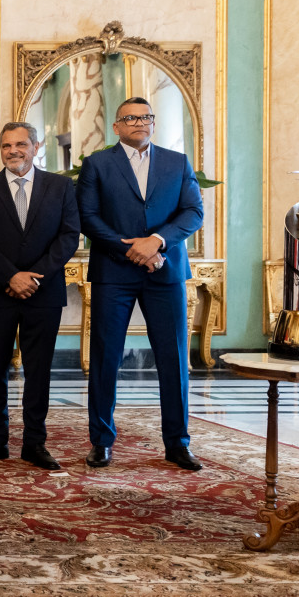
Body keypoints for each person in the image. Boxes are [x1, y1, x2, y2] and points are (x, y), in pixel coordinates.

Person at [78, 97, 205, 471]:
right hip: (113, 274)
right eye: (130, 118)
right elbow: (88, 217)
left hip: (165, 272)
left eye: (145, 116)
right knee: (106, 357)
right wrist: (130, 249)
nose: (139, 122)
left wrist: (157, 242)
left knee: (174, 359)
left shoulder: (177, 162)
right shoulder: (97, 164)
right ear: (116, 126)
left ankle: (177, 444)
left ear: (153, 122)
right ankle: (101, 442)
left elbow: (193, 211)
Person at [0, 122, 80, 471]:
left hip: (44, 294)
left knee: (38, 370)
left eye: (20, 144)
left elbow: (68, 236)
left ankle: (34, 443)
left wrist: (34, 277)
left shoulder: (61, 187)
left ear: (36, 146)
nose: (13, 151)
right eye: (6, 146)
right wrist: (10, 276)